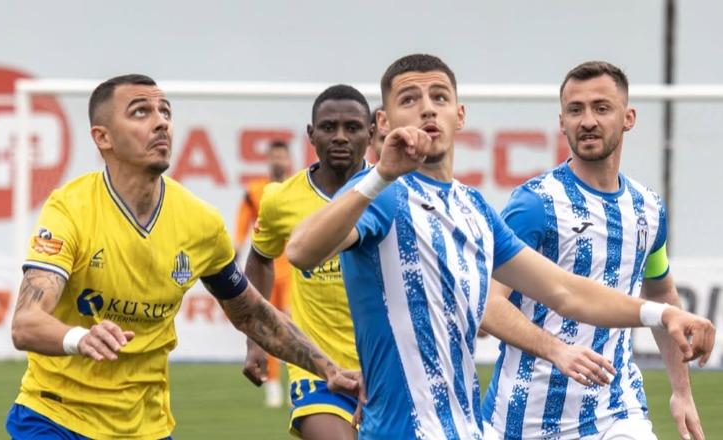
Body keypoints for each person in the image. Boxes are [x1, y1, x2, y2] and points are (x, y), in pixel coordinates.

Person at [285, 54, 715, 439]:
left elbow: (564, 291)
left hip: (467, 428)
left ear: (459, 115)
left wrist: (663, 314)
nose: (427, 108)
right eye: (409, 99)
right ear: (383, 122)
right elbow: (301, 250)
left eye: (439, 97)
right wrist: (381, 174)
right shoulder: (382, 193)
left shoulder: (472, 207)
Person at [5, 74, 362, 440]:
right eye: (141, 112)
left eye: (165, 112)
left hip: (145, 427)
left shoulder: (200, 222)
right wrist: (79, 338)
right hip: (54, 417)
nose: (161, 122)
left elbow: (251, 314)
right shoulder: (70, 209)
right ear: (103, 137)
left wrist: (328, 369)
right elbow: (26, 323)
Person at [481, 61, 706, 440]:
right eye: (575, 110)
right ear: (562, 122)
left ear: (628, 117)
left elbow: (661, 292)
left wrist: (681, 391)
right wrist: (555, 349)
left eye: (601, 108)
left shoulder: (648, 209)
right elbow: (487, 304)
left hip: (616, 411)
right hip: (523, 419)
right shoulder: (535, 204)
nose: (587, 120)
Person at [241, 84, 371, 439]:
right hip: (317, 370)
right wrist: (256, 338)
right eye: (329, 127)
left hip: (387, 369)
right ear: (311, 135)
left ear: (372, 132)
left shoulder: (393, 193)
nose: (340, 136)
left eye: (352, 127)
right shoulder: (280, 199)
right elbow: (260, 260)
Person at [233, 139, 293, 407]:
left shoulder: (297, 189)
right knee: (268, 326)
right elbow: (243, 221)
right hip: (266, 269)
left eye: (282, 156)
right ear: (268, 160)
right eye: (274, 156)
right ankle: (273, 382)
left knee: (293, 326)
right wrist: (236, 245)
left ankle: (295, 382)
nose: (278, 161)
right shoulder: (256, 191)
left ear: (288, 160)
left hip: (293, 271)